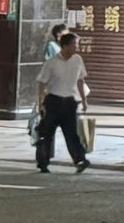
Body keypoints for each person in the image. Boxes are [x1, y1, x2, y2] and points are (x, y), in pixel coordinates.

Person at [36, 30, 93, 173]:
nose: (77, 47)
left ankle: (80, 160)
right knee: (47, 134)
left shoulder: (78, 60)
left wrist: (84, 101)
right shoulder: (51, 63)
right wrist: (41, 103)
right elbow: (42, 83)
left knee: (72, 133)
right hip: (53, 101)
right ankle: (43, 162)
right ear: (65, 46)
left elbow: (80, 80)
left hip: (70, 102)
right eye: (74, 44)